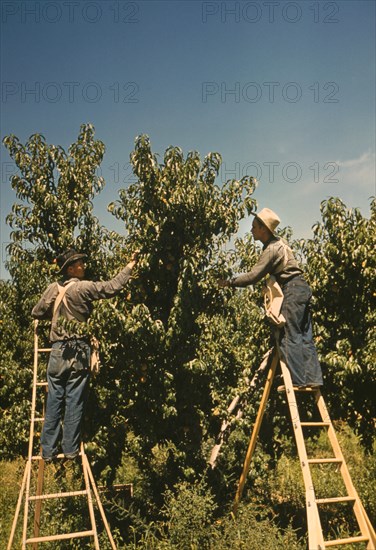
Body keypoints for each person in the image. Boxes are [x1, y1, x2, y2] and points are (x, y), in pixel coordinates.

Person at [32, 248, 138, 462]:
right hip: (78, 350)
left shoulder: (53, 288)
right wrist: (130, 266)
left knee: (53, 400)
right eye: (80, 263)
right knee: (74, 401)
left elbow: (36, 312)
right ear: (71, 268)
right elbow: (112, 287)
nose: (84, 266)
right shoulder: (84, 288)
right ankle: (70, 451)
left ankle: (48, 451)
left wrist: (56, 318)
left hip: (57, 351)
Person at [218, 208, 323, 389]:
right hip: (302, 288)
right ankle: (313, 379)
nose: (251, 231)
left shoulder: (272, 249)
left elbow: (253, 276)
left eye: (254, 227)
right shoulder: (280, 243)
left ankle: (298, 381)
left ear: (264, 229)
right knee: (304, 336)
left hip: (292, 289)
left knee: (288, 334)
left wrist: (229, 283)